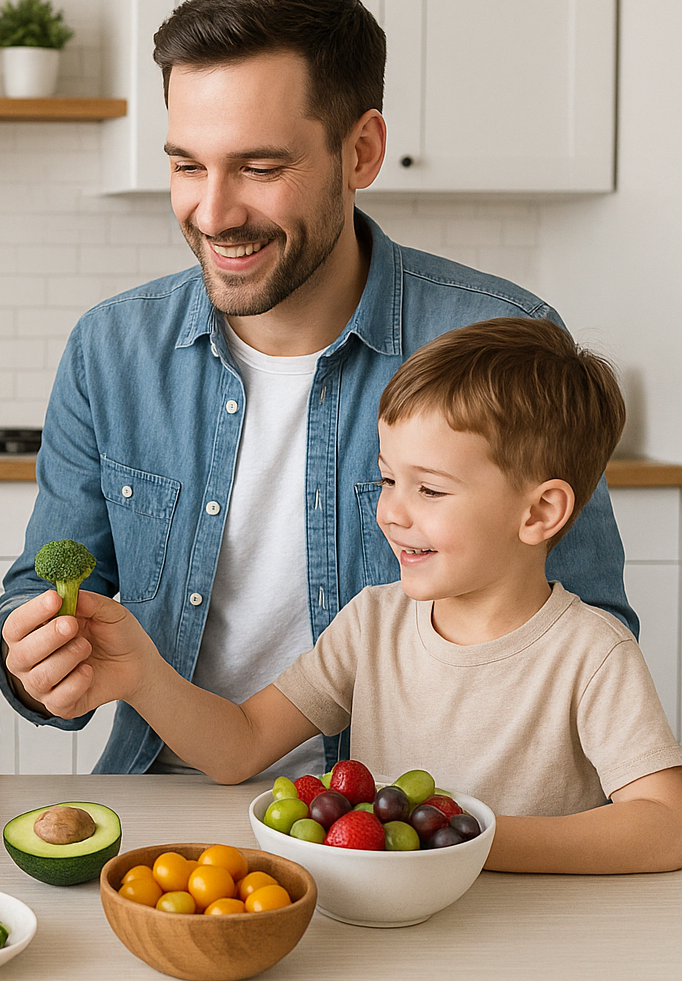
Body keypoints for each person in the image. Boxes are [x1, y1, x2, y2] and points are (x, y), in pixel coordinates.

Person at [0, 0, 635, 776]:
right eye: (187, 166)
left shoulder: (500, 341)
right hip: (168, 803)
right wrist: (36, 656)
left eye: (259, 168)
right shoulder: (111, 349)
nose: (214, 213)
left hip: (403, 825)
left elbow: (589, 634)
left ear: (360, 150)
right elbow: (38, 589)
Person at [73, 319, 682, 873]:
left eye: (431, 491)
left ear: (540, 511)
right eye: (389, 479)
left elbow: (666, 825)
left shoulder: (592, 652)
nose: (390, 511)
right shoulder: (374, 624)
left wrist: (469, 842)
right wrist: (142, 677)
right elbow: (240, 746)